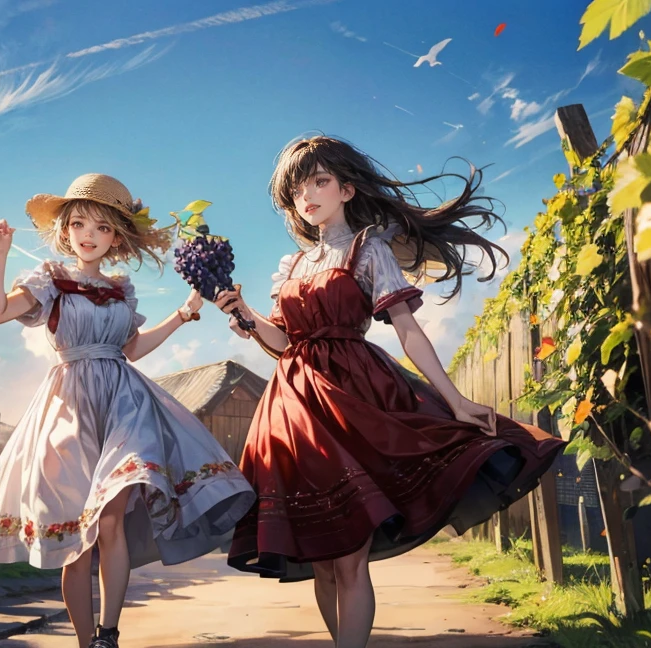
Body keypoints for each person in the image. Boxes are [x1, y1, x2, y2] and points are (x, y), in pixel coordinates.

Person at [213, 136, 566, 648]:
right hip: (292, 407)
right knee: (323, 559)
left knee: (351, 552)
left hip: (353, 399)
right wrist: (246, 317)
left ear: (347, 189)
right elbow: (286, 341)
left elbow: (407, 329)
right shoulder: (290, 266)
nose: (306, 195)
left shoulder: (367, 248)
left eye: (319, 181)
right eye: (296, 188)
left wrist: (455, 400)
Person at [0, 173, 256, 648]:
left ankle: (108, 634)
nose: (88, 234)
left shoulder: (123, 290)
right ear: (65, 231)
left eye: (101, 227)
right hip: (69, 406)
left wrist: (183, 314)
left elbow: (133, 348)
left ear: (116, 236)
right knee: (77, 540)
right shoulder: (49, 280)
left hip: (124, 401)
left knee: (111, 518)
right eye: (78, 223)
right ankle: (86, 643)